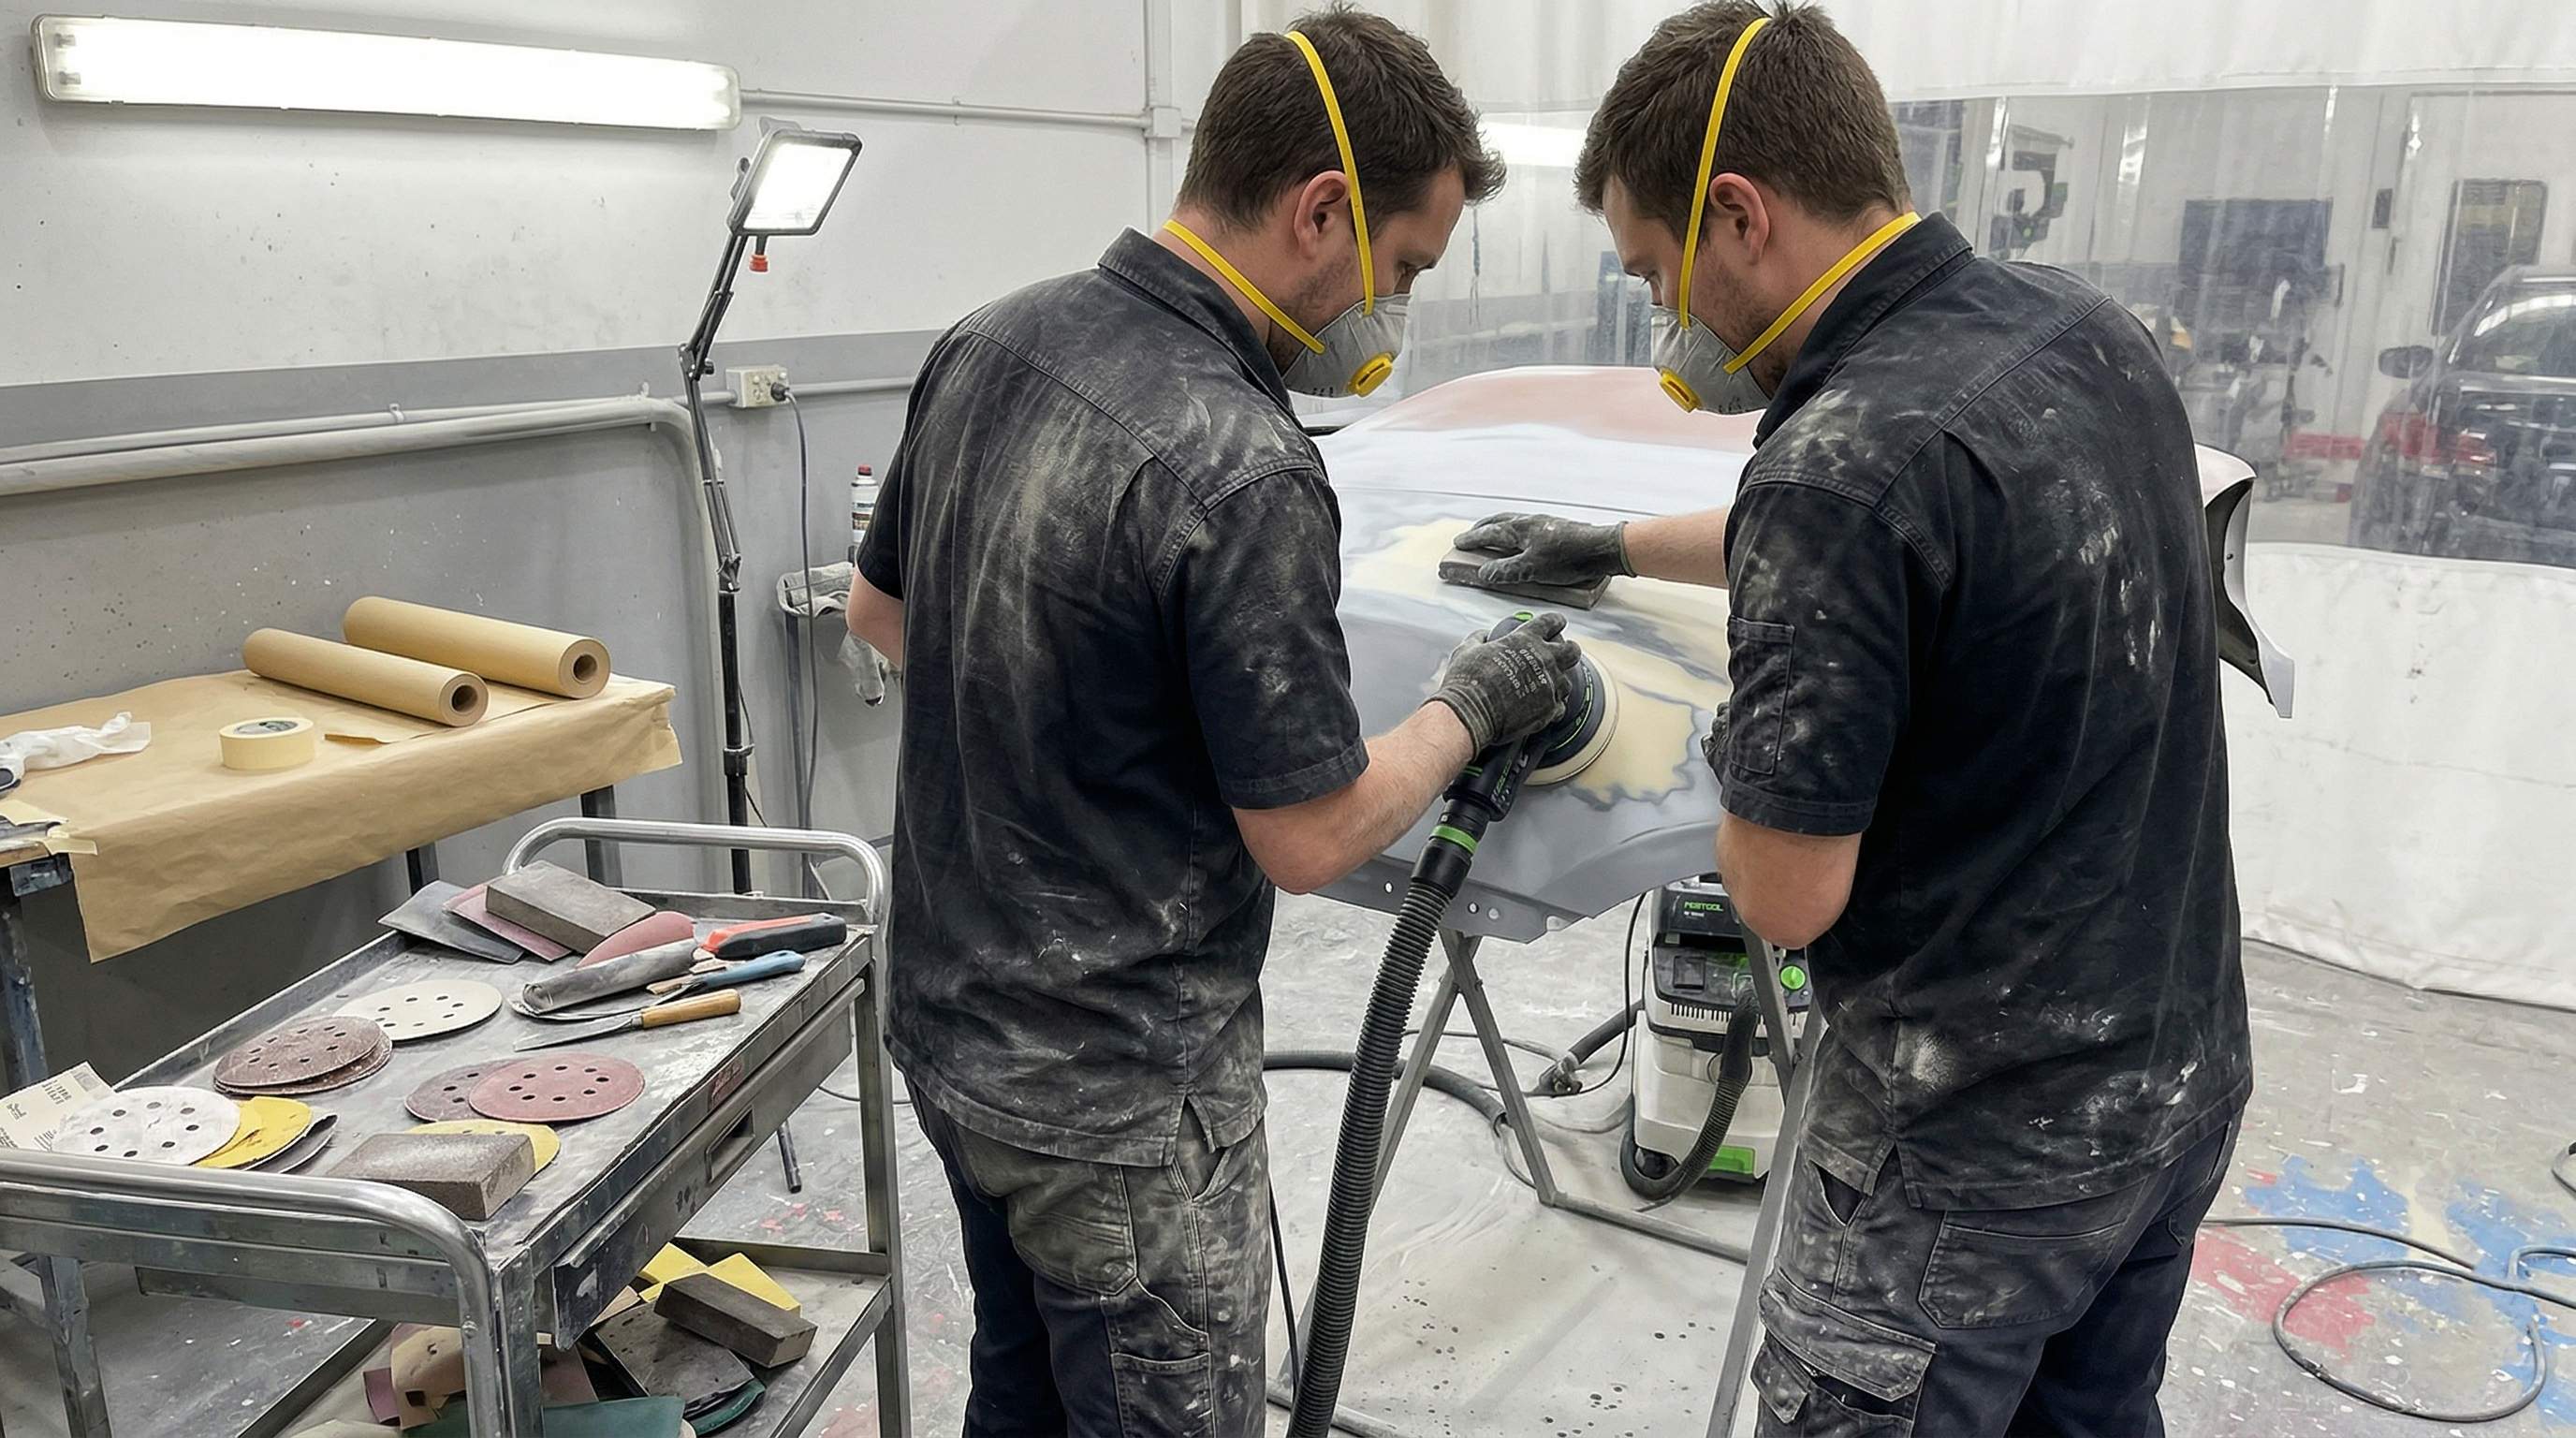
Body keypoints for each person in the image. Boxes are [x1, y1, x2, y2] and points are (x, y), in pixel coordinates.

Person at [1456, 6, 2248, 1435]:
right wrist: (1616, 544)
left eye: (1654, 274)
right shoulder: (2082, 329)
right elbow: (1920, 528)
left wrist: (1706, 726)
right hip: (2170, 1078)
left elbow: (1782, 895)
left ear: (1738, 215)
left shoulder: (1839, 465)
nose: (1663, 323)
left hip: (1967, 1164)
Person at [845, 10, 1581, 1435]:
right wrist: (1464, 707)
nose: (1398, 311)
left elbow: (883, 619)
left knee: (1022, 1390)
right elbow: (1311, 836)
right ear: (1322, 213)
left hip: (946, 1027)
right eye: (1407, 267)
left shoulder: (990, 342)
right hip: (1122, 1112)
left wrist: (1082, 706)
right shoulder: (1239, 464)